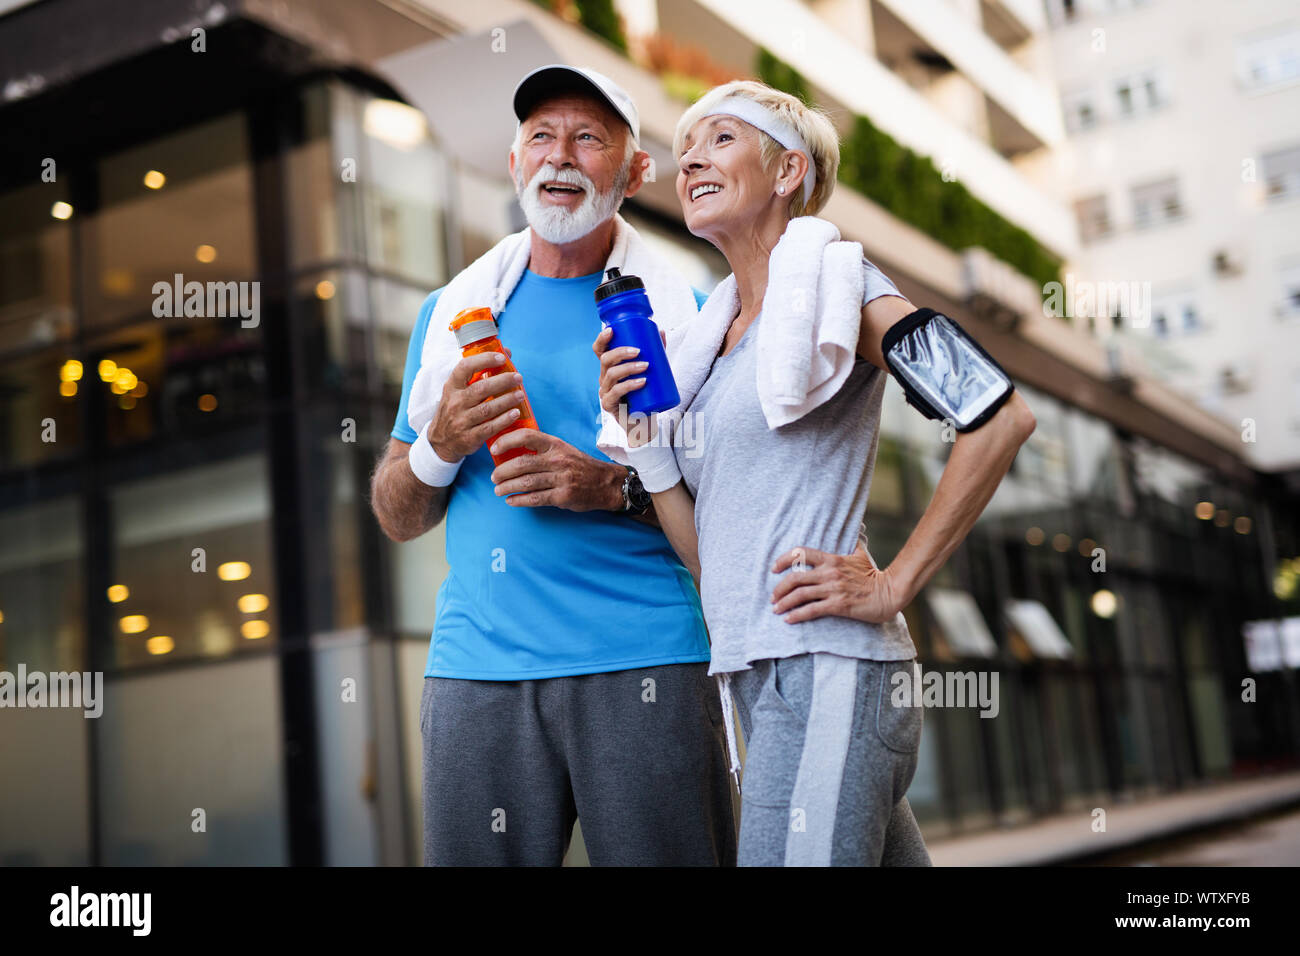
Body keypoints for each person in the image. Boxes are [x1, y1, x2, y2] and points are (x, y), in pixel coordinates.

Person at [596, 80, 1037, 866]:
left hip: (831, 668)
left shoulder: (843, 290)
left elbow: (1000, 418)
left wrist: (894, 583)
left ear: (789, 171)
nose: (691, 155)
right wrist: (647, 440)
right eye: (686, 146)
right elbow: (712, 560)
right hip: (750, 671)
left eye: (722, 138)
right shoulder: (711, 348)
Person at [371, 65, 736, 866]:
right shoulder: (451, 317)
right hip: (478, 672)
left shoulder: (697, 312)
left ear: (636, 172)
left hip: (646, 662)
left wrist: (611, 487)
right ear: (514, 164)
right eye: (540, 135)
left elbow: (736, 508)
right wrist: (441, 442)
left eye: (588, 138)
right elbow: (398, 515)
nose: (558, 156)